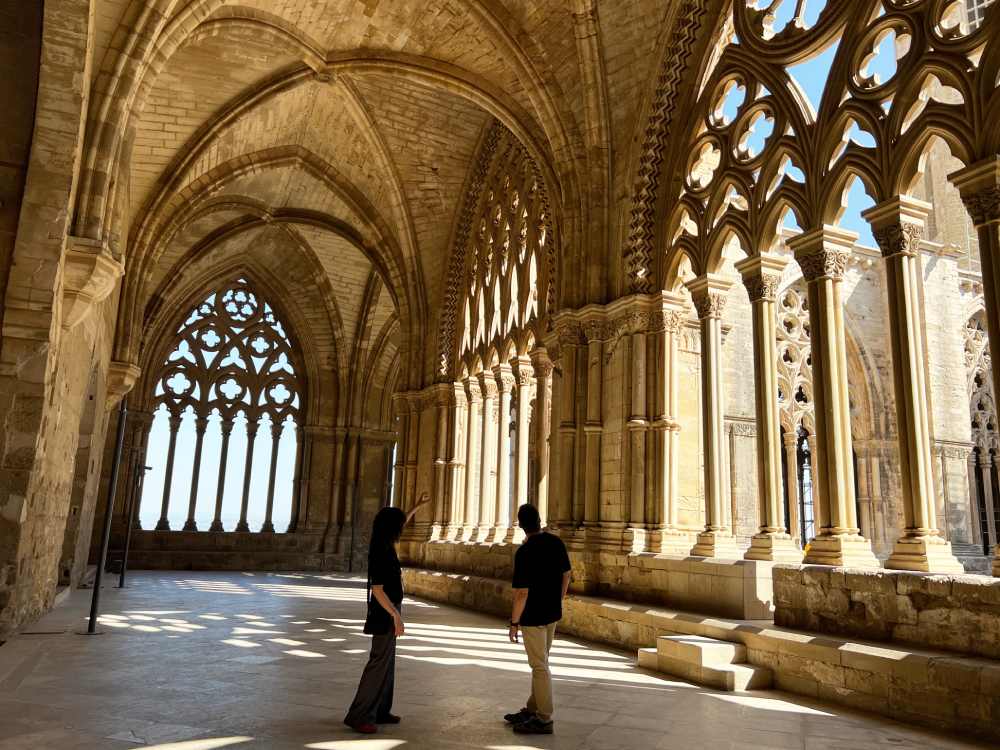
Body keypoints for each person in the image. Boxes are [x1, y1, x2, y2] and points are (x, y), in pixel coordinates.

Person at [344, 492, 431, 734]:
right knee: (378, 662)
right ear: (391, 528)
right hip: (385, 611)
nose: (402, 529)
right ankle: (359, 715)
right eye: (399, 526)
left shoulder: (383, 541)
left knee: (387, 663)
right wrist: (395, 615)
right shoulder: (382, 550)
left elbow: (401, 520)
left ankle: (380, 710)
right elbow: (378, 590)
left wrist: (417, 505)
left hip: (390, 609)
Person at [503, 503, 572, 735]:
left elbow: (522, 593)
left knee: (539, 666)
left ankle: (544, 718)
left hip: (533, 616)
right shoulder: (556, 542)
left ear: (521, 525)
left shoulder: (524, 553)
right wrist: (559, 597)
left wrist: (514, 622)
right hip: (552, 612)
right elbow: (567, 573)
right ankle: (532, 709)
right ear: (540, 520)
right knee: (541, 663)